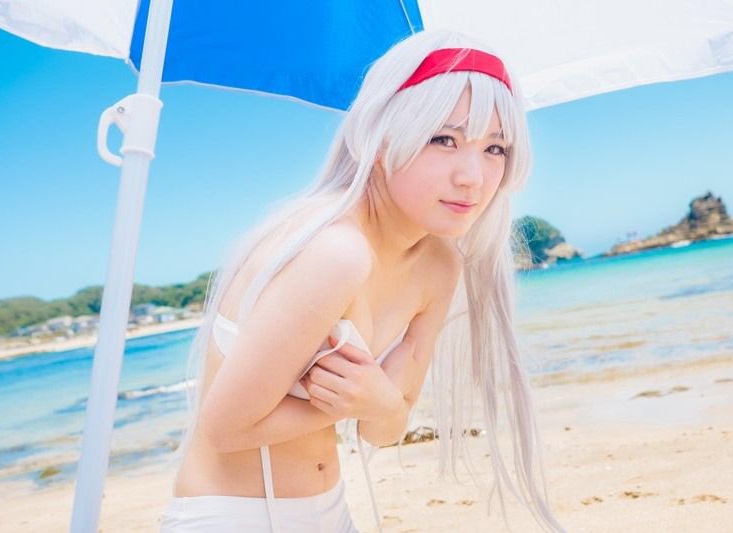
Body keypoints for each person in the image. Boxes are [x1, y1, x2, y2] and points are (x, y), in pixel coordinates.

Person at [159, 28, 565, 533]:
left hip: (331, 512)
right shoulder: (334, 251)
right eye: (444, 139)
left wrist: (380, 404)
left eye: (495, 148)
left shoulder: (438, 265)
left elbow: (384, 429)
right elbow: (225, 428)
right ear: (381, 139)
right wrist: (370, 402)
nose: (473, 177)